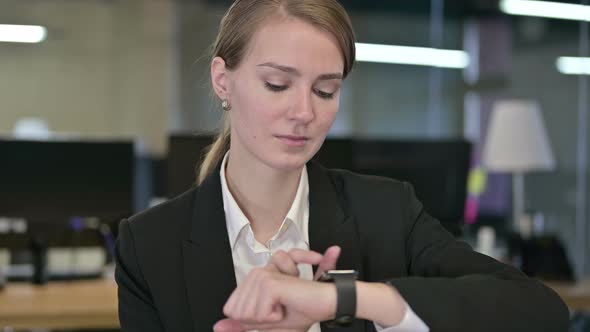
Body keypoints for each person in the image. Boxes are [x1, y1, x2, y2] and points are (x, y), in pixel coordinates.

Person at [114, 0, 570, 331]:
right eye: (277, 84)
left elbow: (539, 309)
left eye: (325, 91)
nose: (304, 112)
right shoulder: (149, 246)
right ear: (222, 81)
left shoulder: (387, 211)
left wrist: (342, 298)